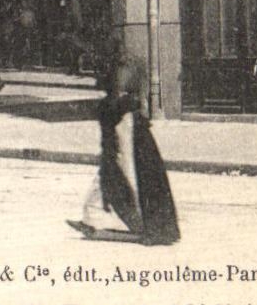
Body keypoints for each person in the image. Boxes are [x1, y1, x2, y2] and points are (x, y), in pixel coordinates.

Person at [72, 37, 179, 246]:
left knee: (128, 177)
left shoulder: (122, 68)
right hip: (134, 128)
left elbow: (119, 100)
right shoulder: (134, 63)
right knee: (115, 175)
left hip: (125, 129)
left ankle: (148, 226)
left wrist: (109, 110)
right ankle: (92, 218)